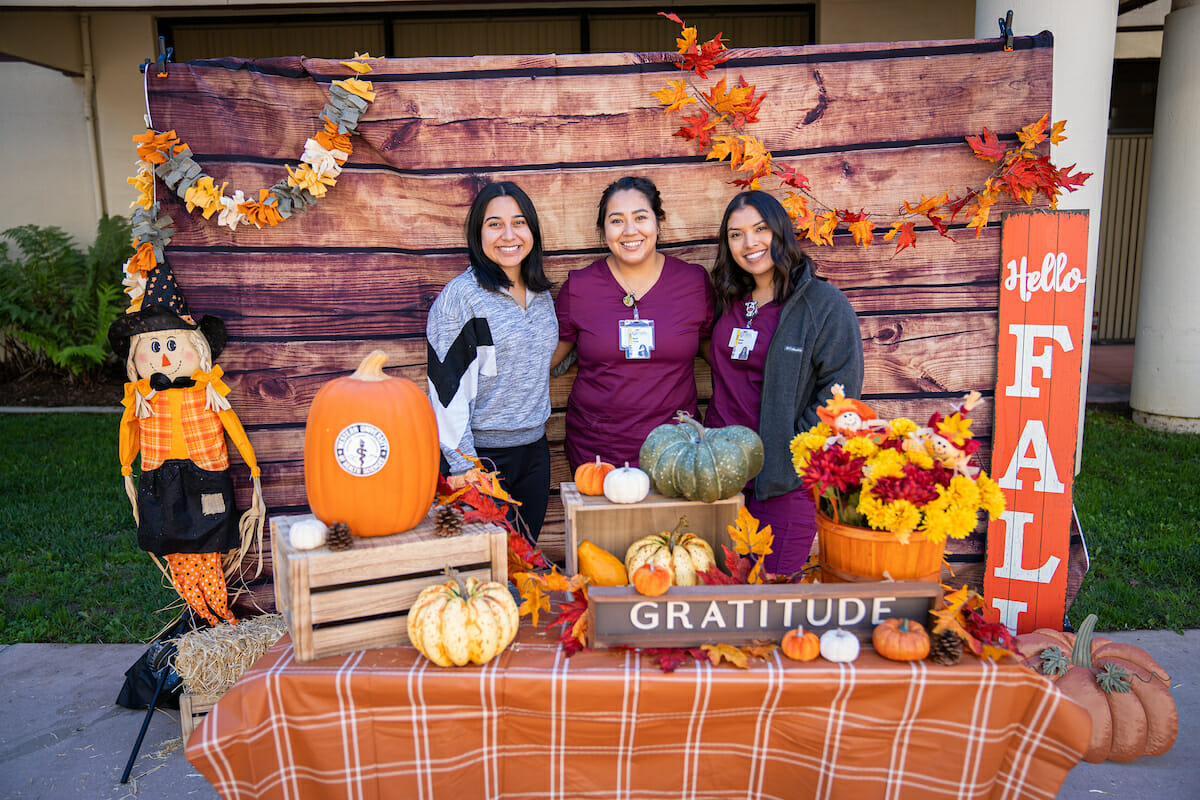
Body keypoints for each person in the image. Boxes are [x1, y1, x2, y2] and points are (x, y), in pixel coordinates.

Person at [706, 190, 864, 574]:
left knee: (771, 599)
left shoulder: (823, 305)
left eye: (760, 229)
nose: (750, 243)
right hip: (717, 479)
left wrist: (792, 454)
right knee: (716, 596)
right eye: (736, 234)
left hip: (780, 484)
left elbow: (840, 395)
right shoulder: (727, 300)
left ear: (780, 231)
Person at [552, 176, 715, 470]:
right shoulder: (580, 287)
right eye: (616, 221)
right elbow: (550, 358)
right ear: (603, 230)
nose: (630, 230)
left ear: (658, 222)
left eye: (641, 217)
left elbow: (716, 355)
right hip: (598, 454)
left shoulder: (693, 283)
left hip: (677, 450)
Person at [426, 181, 557, 541]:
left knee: (524, 563)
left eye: (519, 222)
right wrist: (467, 469)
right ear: (477, 233)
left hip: (534, 451)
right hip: (482, 458)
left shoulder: (540, 294)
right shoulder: (462, 299)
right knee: (487, 572)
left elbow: (538, 360)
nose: (509, 235)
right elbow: (445, 392)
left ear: (532, 230)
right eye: (494, 224)